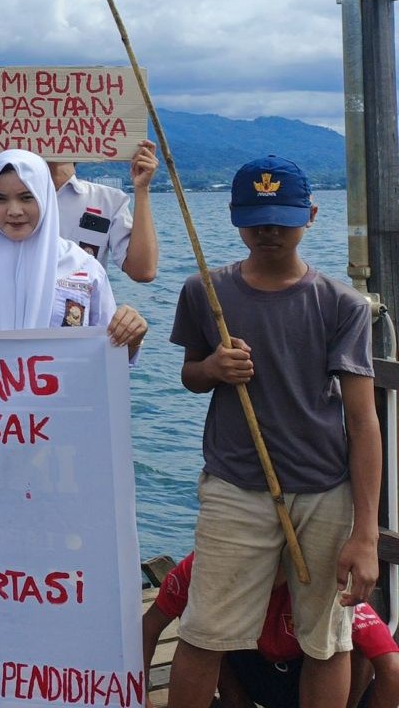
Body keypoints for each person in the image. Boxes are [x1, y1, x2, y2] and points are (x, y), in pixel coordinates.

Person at [166, 156, 379, 708]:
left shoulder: (342, 304)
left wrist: (366, 533)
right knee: (203, 631)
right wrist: (213, 368)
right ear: (235, 218)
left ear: (310, 215)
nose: (269, 230)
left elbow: (362, 420)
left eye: (283, 218)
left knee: (326, 642)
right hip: (235, 486)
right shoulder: (204, 292)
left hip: (324, 492)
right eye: (256, 217)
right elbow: (190, 374)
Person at [0, 149, 147, 355]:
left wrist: (131, 336)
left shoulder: (83, 268)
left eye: (26, 197)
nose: (14, 211)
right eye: (0, 199)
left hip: (64, 396)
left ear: (45, 197)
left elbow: (109, 354)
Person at [143, 553, 399, 708]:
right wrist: (140, 699)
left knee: (355, 647)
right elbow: (149, 626)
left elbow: (392, 669)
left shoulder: (328, 580)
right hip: (252, 669)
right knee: (199, 629)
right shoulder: (203, 566)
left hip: (308, 677)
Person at [48, 139, 159, 283]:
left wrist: (142, 189)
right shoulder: (11, 200)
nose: (57, 138)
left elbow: (143, 271)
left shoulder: (109, 200)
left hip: (83, 303)